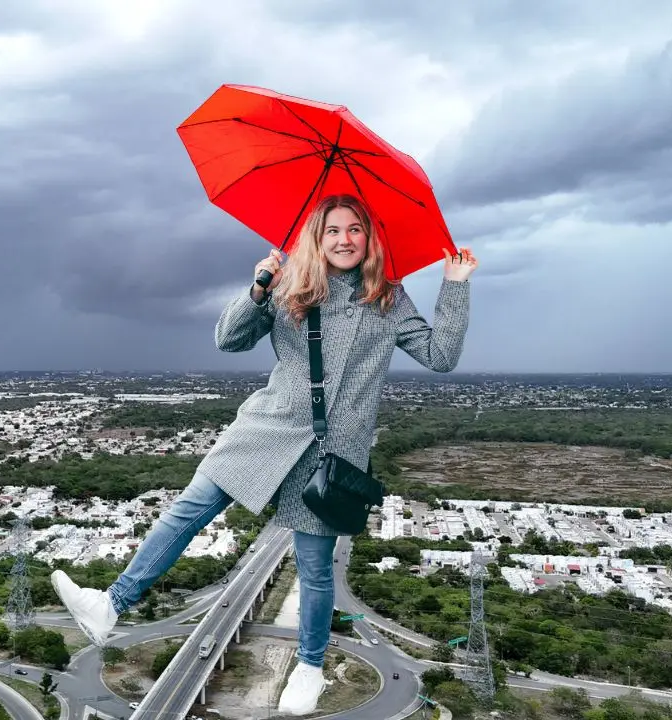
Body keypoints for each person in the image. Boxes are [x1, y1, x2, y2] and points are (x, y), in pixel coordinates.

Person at [50, 193, 476, 715]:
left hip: (331, 452)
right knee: (189, 508)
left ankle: (310, 669)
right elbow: (229, 340)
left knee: (314, 568)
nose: (344, 239)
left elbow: (441, 356)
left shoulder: (387, 299)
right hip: (267, 426)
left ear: (369, 239)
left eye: (355, 229)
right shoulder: (290, 286)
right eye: (333, 230)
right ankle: (111, 604)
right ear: (317, 238)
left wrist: (455, 286)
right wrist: (259, 286)